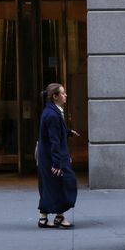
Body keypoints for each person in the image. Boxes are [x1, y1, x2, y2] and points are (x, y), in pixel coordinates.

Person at [36, 83, 79, 229]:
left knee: (51, 186)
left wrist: (68, 132)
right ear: (55, 96)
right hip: (52, 157)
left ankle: (45, 218)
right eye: (63, 93)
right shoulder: (53, 114)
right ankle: (58, 217)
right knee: (66, 183)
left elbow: (53, 133)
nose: (66, 95)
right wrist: (57, 164)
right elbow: (54, 141)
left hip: (48, 156)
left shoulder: (51, 111)